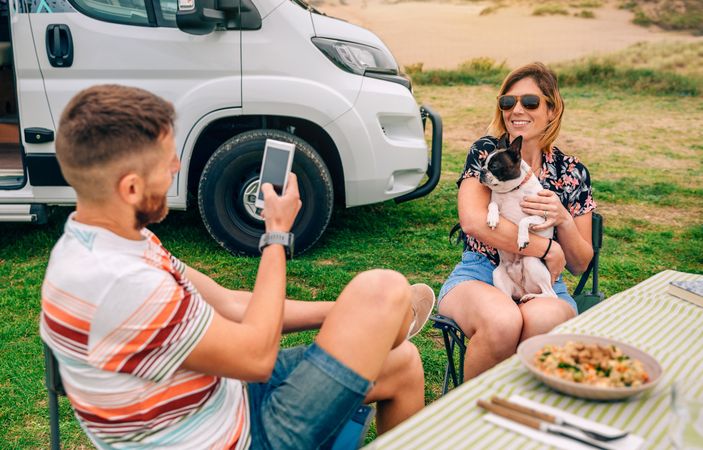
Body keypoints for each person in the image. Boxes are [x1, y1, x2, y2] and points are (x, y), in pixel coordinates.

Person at [40, 84, 435, 449]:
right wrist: (276, 236)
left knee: (402, 363)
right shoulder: (121, 283)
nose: (177, 167)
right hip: (233, 437)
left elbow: (229, 303)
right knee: (382, 288)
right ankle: (392, 316)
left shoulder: (110, 242)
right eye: (166, 162)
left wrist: (354, 317)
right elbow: (256, 358)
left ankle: (386, 320)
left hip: (221, 399)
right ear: (130, 188)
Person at [437, 62, 596, 381]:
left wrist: (563, 219)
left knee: (541, 320)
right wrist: (547, 249)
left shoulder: (571, 172)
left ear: (552, 109)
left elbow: (580, 263)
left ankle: (518, 418)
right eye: (508, 102)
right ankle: (468, 422)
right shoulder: (487, 152)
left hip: (545, 282)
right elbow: (474, 222)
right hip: (481, 271)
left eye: (530, 102)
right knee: (502, 322)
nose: (517, 109)